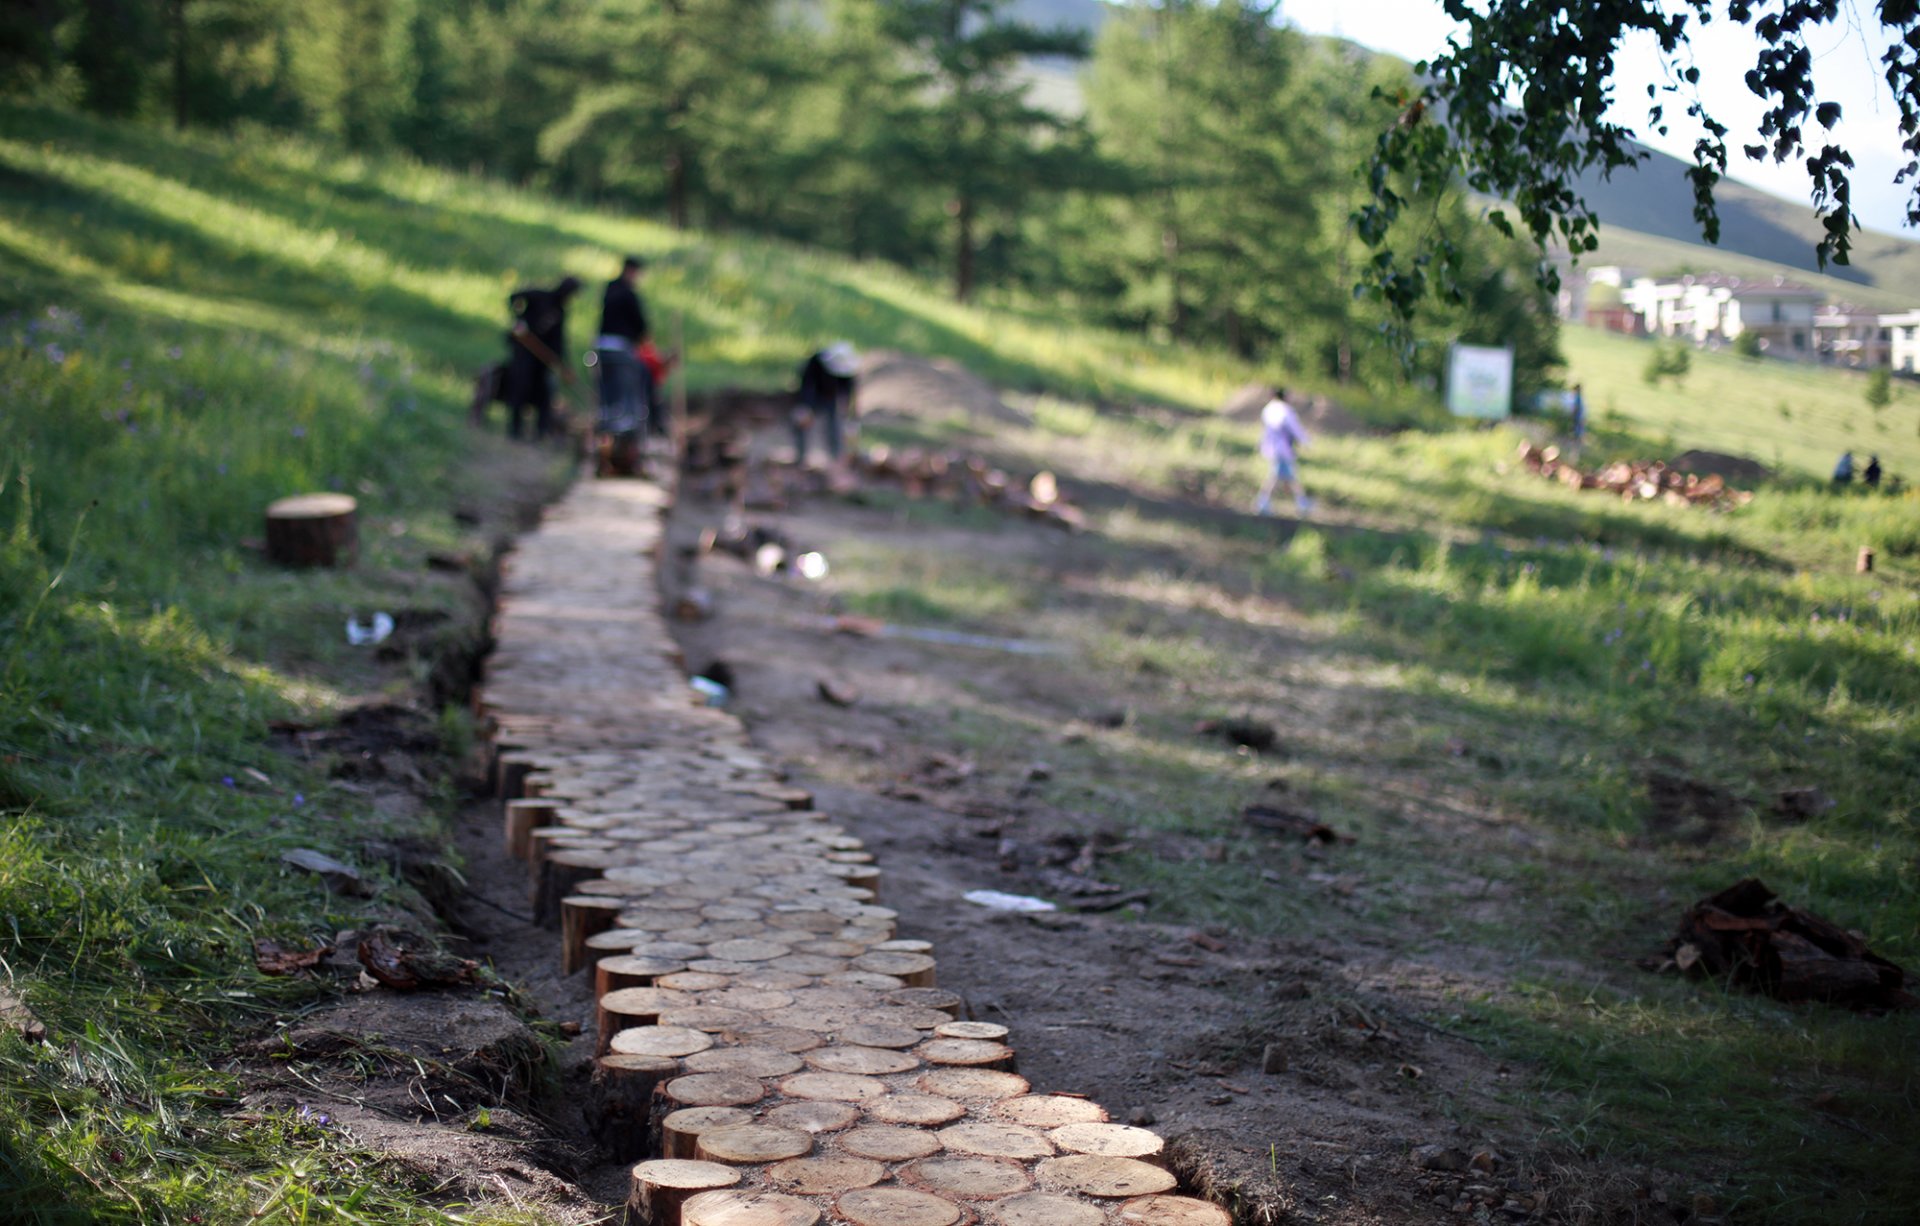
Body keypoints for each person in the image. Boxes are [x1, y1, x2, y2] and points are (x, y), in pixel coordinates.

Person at [503, 275, 581, 441]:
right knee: (521, 387)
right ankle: (515, 428)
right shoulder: (540, 296)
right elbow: (515, 297)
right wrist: (519, 320)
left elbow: (559, 340)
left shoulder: (560, 311)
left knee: (544, 393)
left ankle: (541, 430)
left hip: (543, 357)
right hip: (525, 350)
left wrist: (563, 363)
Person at [592, 257, 651, 445]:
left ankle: (607, 418)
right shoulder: (628, 294)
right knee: (625, 385)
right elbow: (639, 322)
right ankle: (623, 425)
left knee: (607, 386)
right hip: (621, 346)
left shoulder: (609, 290)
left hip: (602, 344)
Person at [793, 342, 858, 466]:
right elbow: (806, 385)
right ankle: (801, 457)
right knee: (801, 421)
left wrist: (851, 417)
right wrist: (805, 406)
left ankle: (835, 457)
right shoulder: (815, 363)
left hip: (831, 398)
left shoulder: (848, 371)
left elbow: (849, 392)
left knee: (834, 425)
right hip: (813, 395)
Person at [1254, 388, 1312, 514]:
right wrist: (1305, 441)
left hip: (1272, 447)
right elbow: (1295, 428)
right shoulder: (1285, 410)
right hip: (1283, 448)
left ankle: (1302, 502)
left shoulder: (1268, 409)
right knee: (1279, 477)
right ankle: (1263, 502)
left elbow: (1265, 430)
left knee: (1288, 477)